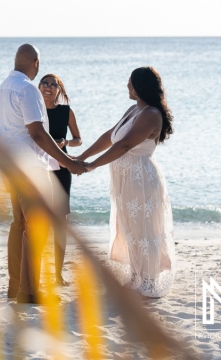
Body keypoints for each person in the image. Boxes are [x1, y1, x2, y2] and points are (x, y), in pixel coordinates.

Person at [0, 44, 85, 304]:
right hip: (30, 167)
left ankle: (16, 287)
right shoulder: (26, 89)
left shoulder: (4, 87)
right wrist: (67, 161)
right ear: (36, 62)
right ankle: (30, 292)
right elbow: (36, 133)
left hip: (9, 162)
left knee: (19, 224)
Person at [77, 67, 175, 298]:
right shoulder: (134, 110)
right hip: (124, 178)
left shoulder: (151, 114)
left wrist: (92, 166)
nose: (126, 86)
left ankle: (149, 281)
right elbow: (109, 137)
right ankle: (136, 275)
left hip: (140, 177)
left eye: (129, 82)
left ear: (140, 86)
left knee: (144, 229)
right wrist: (82, 157)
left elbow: (124, 146)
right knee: (128, 227)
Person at [38, 74, 82, 286]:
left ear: (59, 90)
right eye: (44, 83)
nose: (48, 87)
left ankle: (57, 275)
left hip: (61, 170)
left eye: (53, 84)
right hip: (37, 169)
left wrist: (65, 142)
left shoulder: (66, 111)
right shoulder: (33, 111)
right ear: (38, 87)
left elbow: (78, 139)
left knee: (60, 223)